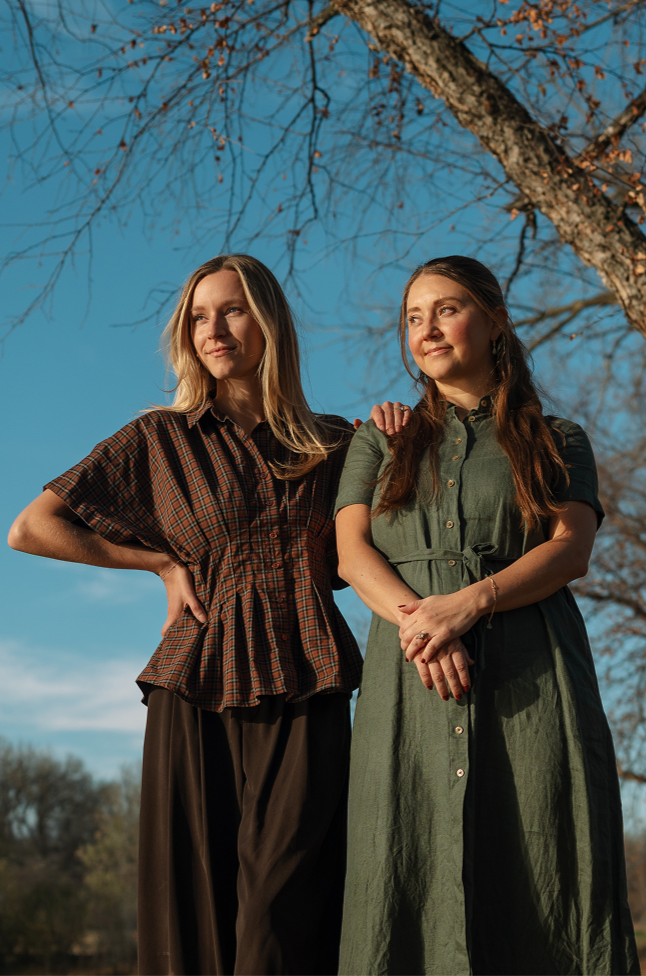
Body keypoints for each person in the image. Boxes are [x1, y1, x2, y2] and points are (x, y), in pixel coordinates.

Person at [7, 253, 409, 976]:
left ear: (270, 323)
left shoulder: (335, 444)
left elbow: (388, 541)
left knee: (286, 902)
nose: (212, 329)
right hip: (193, 683)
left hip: (308, 682)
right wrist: (157, 562)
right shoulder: (159, 439)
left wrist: (397, 434)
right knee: (194, 908)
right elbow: (31, 527)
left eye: (231, 310)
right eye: (198, 316)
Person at [334, 255, 639, 976]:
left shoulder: (557, 439)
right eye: (414, 317)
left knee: (542, 868)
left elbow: (571, 550)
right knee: (402, 863)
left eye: (445, 309)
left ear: (495, 319)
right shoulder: (381, 438)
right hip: (407, 689)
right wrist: (424, 625)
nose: (427, 328)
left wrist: (470, 602)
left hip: (533, 681)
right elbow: (350, 554)